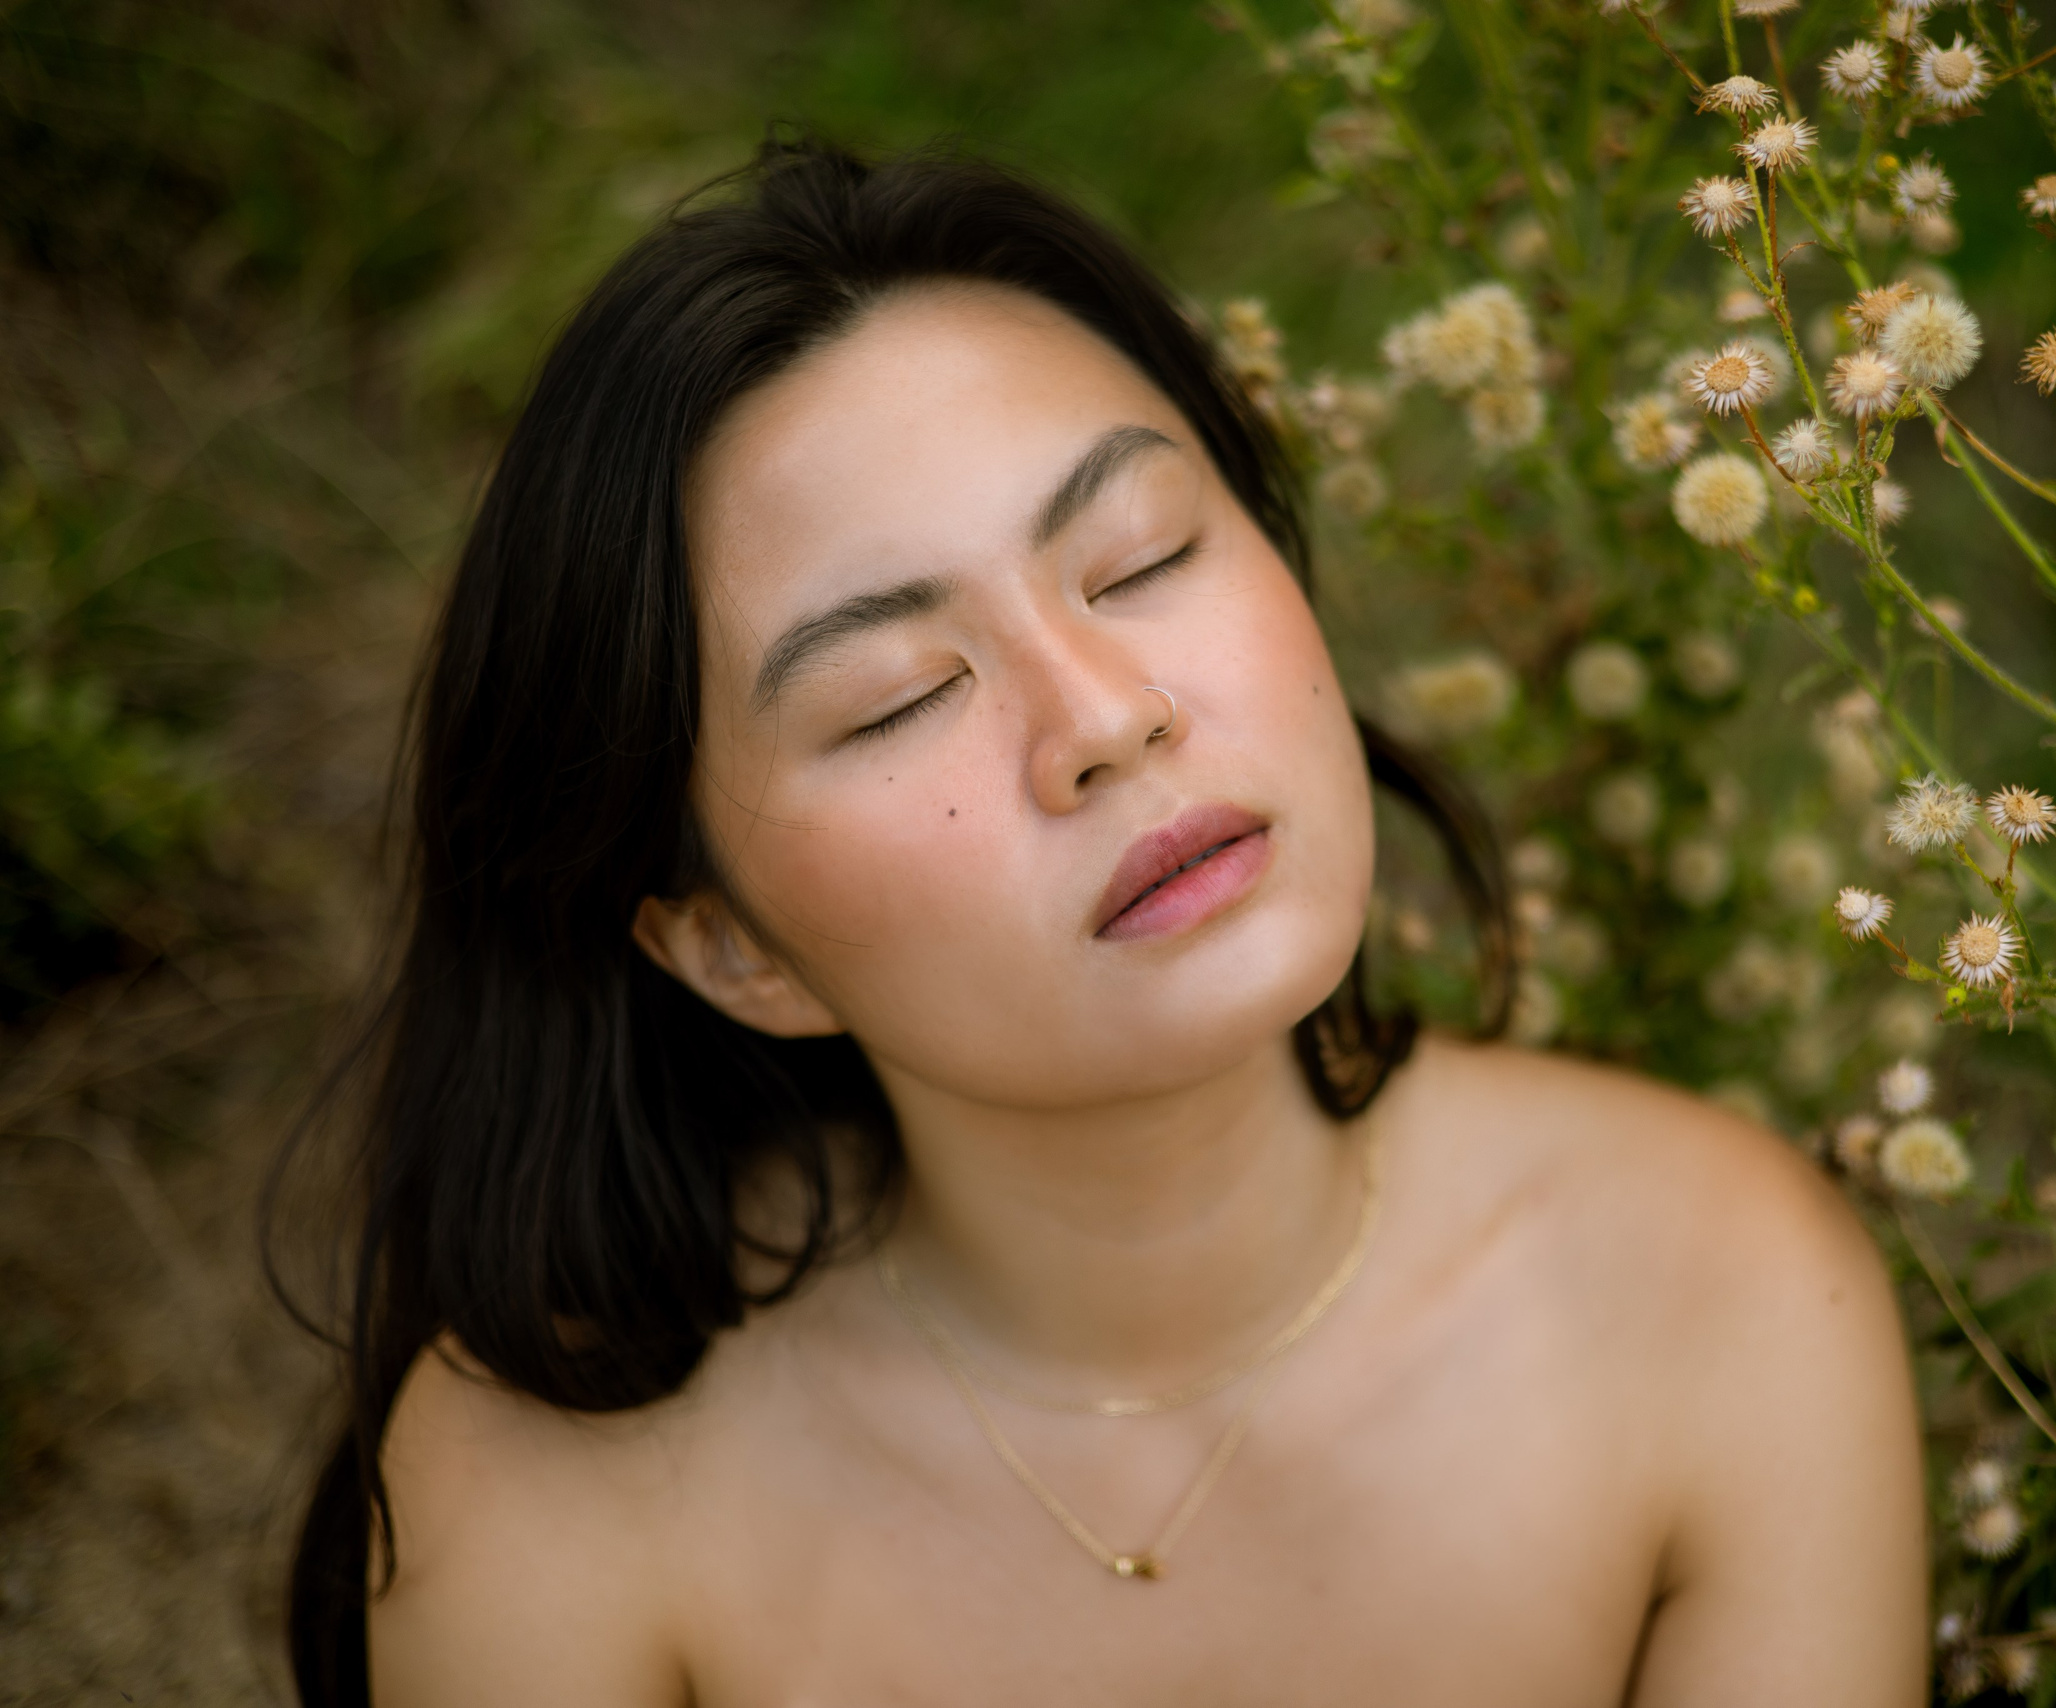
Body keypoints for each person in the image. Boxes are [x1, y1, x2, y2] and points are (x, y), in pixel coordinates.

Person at [276, 139, 1926, 1706]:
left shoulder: (1722, 1297)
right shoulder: (554, 1483)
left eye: (1137, 560)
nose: (1109, 717)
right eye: (900, 697)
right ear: (734, 949)